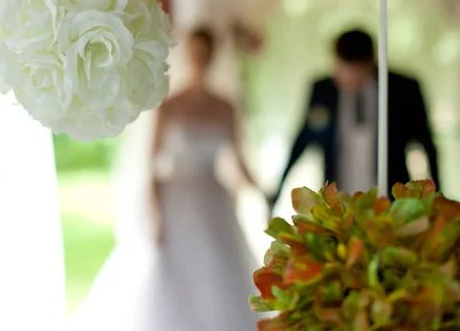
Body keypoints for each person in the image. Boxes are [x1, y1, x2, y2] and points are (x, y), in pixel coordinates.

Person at [69, 27, 262, 331]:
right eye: (195, 52)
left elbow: (237, 160)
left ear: (212, 56)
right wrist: (155, 213)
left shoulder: (225, 106)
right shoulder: (169, 105)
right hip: (177, 199)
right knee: (171, 270)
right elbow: (151, 165)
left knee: (219, 271)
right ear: (187, 54)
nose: (200, 59)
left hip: (213, 199)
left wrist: (263, 190)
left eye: (205, 52)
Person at [269, 29, 439, 214]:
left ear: (371, 63)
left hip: (390, 203)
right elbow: (300, 143)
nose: (346, 77)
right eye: (341, 68)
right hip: (338, 205)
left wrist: (438, 198)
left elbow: (427, 145)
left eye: (355, 71)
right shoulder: (322, 90)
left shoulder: (404, 89)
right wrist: (278, 191)